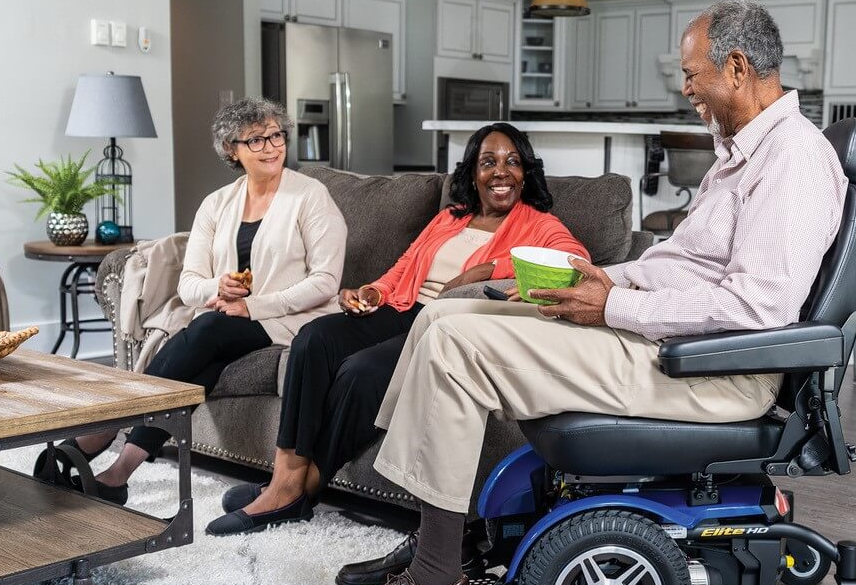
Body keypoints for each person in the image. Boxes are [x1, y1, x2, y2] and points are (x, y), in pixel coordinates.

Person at [313, 0, 850, 585]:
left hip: (710, 372)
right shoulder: (741, 153)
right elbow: (681, 265)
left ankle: (435, 584)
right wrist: (589, 280)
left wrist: (611, 307)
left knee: (455, 342)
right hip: (666, 341)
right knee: (446, 312)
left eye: (691, 74)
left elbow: (758, 307)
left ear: (736, 68)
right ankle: (436, 538)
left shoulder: (791, 159)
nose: (686, 90)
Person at [204, 122, 589, 536]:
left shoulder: (538, 224)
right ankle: (285, 480)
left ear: (526, 172)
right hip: (403, 307)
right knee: (314, 338)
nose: (501, 171)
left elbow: (575, 263)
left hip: (446, 325)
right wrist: (372, 291)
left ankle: (302, 489)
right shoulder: (450, 218)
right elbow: (406, 268)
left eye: (513, 162)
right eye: (488, 162)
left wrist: (487, 270)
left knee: (363, 371)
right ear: (472, 173)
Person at [34, 98, 347, 505]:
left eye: (276, 136)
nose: (271, 147)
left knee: (208, 329)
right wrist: (220, 287)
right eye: (256, 140)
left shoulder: (310, 196)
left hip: (293, 319)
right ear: (231, 150)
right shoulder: (217, 204)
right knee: (207, 356)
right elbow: (189, 286)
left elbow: (326, 282)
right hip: (227, 322)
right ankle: (117, 474)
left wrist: (251, 306)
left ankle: (109, 424)